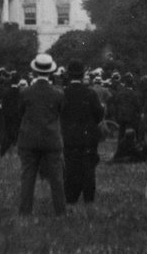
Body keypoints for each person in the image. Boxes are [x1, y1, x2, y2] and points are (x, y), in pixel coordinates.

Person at [16, 54, 66, 217]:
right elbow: (61, 114)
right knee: (57, 179)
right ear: (51, 72)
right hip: (51, 140)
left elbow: (19, 114)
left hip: (29, 140)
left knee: (27, 178)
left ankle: (25, 211)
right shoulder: (58, 94)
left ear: (34, 71)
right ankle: (60, 212)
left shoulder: (25, 93)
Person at [60, 61, 104, 205]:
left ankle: (70, 199)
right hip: (88, 136)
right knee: (88, 169)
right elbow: (99, 114)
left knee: (71, 169)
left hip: (69, 136)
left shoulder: (63, 93)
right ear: (83, 74)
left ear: (68, 74)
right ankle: (88, 199)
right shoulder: (90, 93)